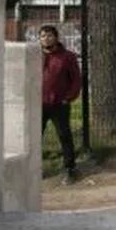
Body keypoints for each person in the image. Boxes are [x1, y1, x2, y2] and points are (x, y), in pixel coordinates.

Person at [39, 25, 81, 185]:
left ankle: (70, 169)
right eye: (42, 36)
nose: (46, 39)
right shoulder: (36, 56)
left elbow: (76, 80)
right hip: (39, 104)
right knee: (35, 137)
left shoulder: (67, 57)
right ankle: (36, 168)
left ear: (56, 37)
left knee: (64, 136)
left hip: (59, 104)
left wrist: (68, 98)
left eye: (49, 36)